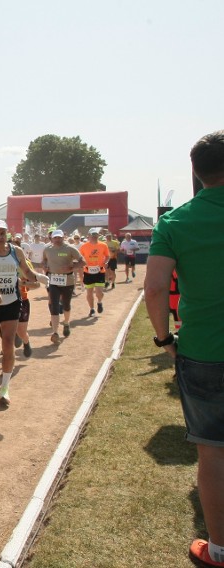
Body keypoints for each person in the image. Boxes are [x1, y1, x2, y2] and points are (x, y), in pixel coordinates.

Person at [145, 130, 224, 568]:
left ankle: (218, 549)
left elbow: (155, 288)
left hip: (203, 349)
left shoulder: (175, 221)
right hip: (205, 349)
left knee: (213, 451)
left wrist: (163, 340)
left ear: (196, 172)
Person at [0, 219, 39, 406]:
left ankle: (4, 390)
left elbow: (26, 270)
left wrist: (34, 278)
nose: (0, 237)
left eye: (3, 233)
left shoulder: (16, 251)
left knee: (9, 342)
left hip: (12, 302)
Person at [42, 229, 85, 344]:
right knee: (54, 305)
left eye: (59, 238)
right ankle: (55, 332)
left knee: (66, 305)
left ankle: (66, 322)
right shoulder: (47, 249)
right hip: (53, 280)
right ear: (52, 238)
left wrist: (72, 267)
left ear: (63, 238)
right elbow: (44, 260)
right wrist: (45, 266)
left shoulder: (70, 249)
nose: (57, 240)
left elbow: (82, 262)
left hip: (68, 281)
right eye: (55, 238)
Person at [79, 228, 109, 317]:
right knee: (89, 292)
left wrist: (106, 262)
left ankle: (99, 302)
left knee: (99, 292)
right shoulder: (84, 246)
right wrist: (82, 263)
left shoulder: (103, 245)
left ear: (98, 236)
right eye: (93, 235)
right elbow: (80, 257)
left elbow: (107, 256)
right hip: (88, 271)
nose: (94, 237)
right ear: (89, 236)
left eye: (96, 235)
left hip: (99, 270)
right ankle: (91, 309)